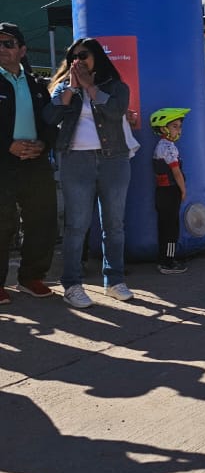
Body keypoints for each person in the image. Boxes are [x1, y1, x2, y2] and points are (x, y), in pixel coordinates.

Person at [45, 38, 134, 308]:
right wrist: (73, 88)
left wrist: (90, 87)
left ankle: (114, 280)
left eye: (83, 55)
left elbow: (115, 111)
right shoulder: (64, 87)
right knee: (76, 226)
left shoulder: (115, 86)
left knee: (114, 225)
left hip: (113, 160)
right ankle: (72, 284)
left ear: (97, 57)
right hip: (76, 161)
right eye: (73, 57)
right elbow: (50, 117)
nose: (78, 61)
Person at [0, 22, 58, 304]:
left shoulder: (36, 84)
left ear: (22, 50)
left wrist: (43, 144)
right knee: (2, 222)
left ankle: (32, 277)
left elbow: (50, 124)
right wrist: (8, 144)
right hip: (3, 163)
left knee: (42, 219)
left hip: (35, 162)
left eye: (8, 44)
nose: (1, 49)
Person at [150, 108, 189, 274]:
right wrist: (183, 190)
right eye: (174, 126)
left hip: (162, 192)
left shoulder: (161, 146)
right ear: (163, 128)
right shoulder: (169, 148)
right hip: (171, 192)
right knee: (172, 229)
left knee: (164, 227)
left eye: (179, 126)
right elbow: (176, 172)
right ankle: (169, 261)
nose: (178, 130)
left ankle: (163, 259)